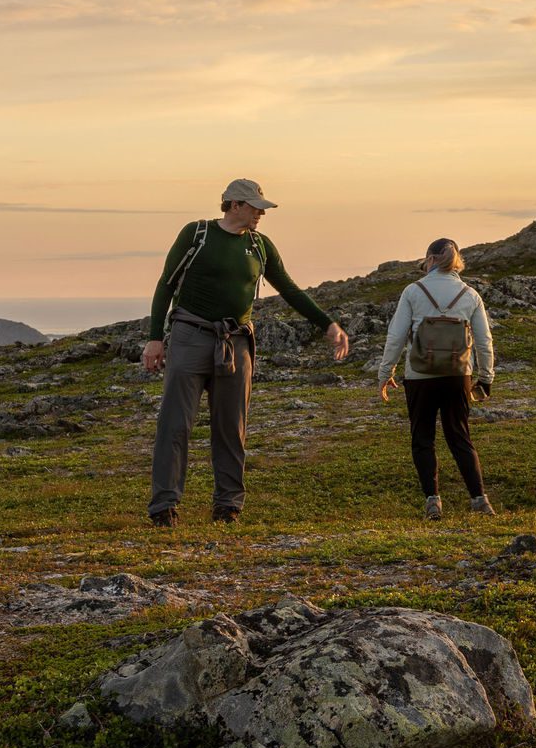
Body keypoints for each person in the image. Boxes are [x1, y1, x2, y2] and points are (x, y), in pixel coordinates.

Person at [142, 179, 350, 526]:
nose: (260, 213)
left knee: (231, 427)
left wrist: (327, 324)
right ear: (234, 205)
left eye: (261, 208)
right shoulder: (197, 234)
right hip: (190, 336)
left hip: (236, 343)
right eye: (255, 207)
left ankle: (228, 505)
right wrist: (154, 338)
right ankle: (164, 506)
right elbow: (166, 284)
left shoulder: (260, 246)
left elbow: (289, 288)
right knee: (175, 425)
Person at [376, 238, 495, 520]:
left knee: (423, 438)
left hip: (420, 377)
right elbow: (484, 340)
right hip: (458, 376)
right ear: (457, 261)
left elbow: (396, 336)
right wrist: (486, 377)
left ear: (429, 259)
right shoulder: (470, 294)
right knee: (460, 437)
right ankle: (480, 500)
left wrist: (386, 372)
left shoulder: (413, 291)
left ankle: (433, 501)